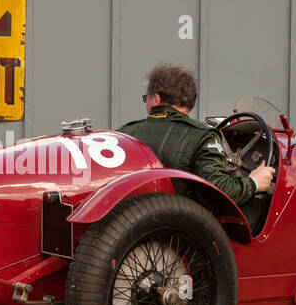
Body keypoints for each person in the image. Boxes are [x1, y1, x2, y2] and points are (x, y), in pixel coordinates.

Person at [118, 64, 275, 215]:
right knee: (265, 202)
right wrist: (254, 182)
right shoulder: (203, 136)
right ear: (190, 103)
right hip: (183, 232)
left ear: (156, 99)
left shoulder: (122, 134)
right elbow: (220, 194)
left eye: (146, 97)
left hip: (125, 227)